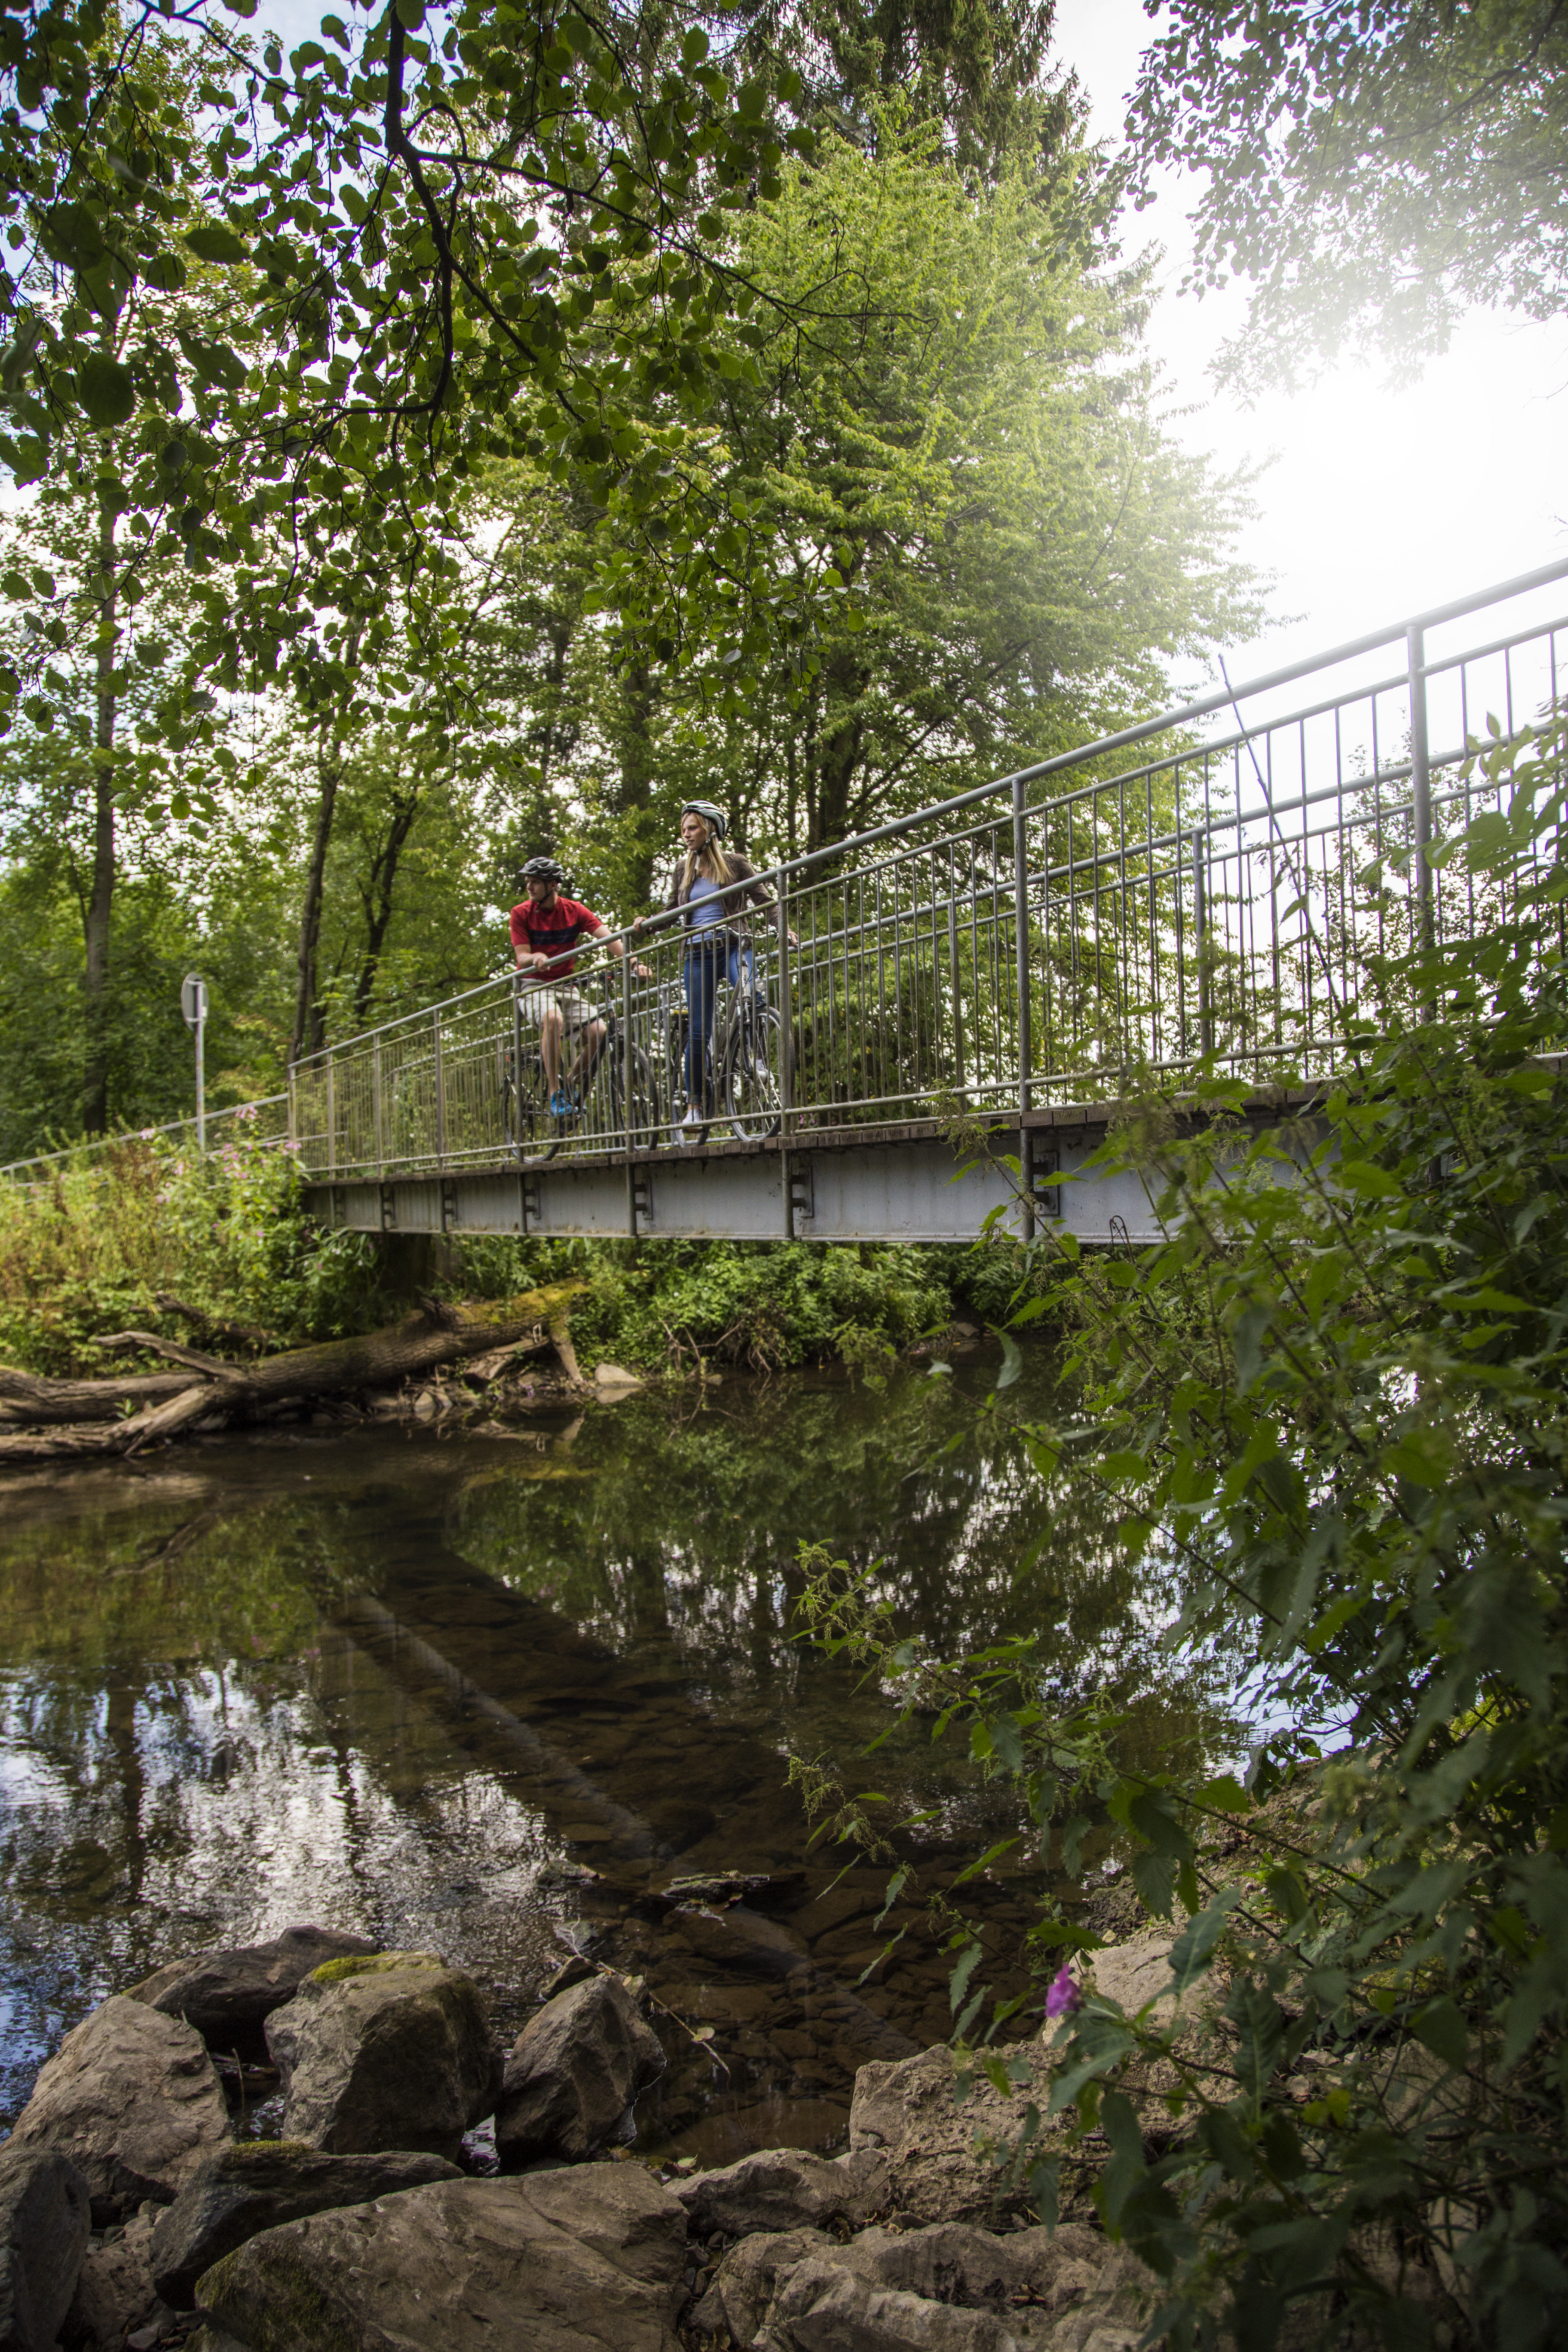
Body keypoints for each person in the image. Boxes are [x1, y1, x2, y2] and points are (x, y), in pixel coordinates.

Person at [636, 802, 794, 1139]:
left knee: (754, 995)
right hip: (697, 955)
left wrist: (784, 929)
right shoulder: (683, 869)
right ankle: (694, 1105)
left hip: (735, 945)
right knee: (698, 1032)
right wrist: (647, 925)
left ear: (710, 830)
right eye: (684, 828)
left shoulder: (735, 864)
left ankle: (756, 1058)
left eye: (692, 828)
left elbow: (764, 899)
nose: (686, 834)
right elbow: (671, 911)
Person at [508, 856, 637, 1118]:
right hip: (533, 985)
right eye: (528, 882)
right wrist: (534, 958)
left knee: (601, 1034)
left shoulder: (574, 911)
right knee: (552, 1019)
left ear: (553, 884)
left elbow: (609, 938)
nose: (529, 887)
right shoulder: (520, 913)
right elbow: (522, 957)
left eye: (535, 882)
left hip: (566, 986)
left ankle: (569, 1083)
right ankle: (555, 1093)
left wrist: (633, 964)